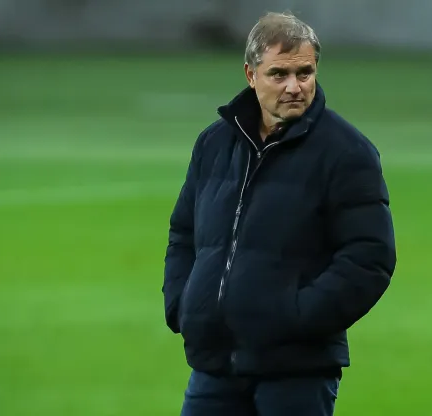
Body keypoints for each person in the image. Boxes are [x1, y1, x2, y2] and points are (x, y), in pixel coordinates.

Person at [162, 11, 396, 416]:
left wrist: (296, 319)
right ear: (251, 75)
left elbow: (369, 258)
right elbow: (184, 233)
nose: (294, 87)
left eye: (304, 73)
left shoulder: (347, 152)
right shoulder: (215, 143)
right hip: (215, 367)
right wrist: (184, 305)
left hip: (297, 371)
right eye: (279, 74)